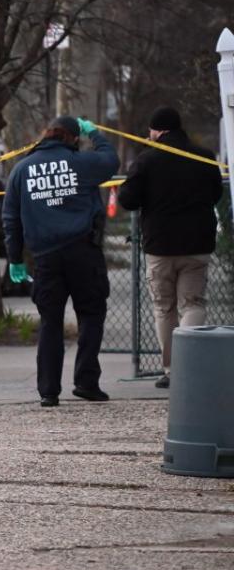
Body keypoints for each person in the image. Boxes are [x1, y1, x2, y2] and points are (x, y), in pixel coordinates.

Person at [2, 116, 120, 407]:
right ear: (73, 138)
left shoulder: (21, 170)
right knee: (91, 314)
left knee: (50, 322)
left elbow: (11, 220)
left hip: (45, 259)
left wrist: (15, 259)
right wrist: (96, 133)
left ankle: (48, 391)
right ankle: (86, 381)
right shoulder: (81, 163)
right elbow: (110, 159)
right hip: (83, 252)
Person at [117, 107, 223, 389]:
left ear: (159, 131)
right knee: (194, 303)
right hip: (198, 243)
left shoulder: (147, 160)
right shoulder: (204, 156)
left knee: (164, 308)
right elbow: (216, 194)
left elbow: (127, 199)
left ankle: (172, 370)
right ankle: (192, 364)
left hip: (160, 245)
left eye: (151, 131)